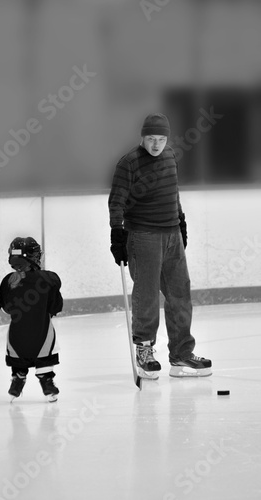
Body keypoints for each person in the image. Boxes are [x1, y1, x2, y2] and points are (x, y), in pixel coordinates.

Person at [108, 113, 212, 379]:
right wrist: (117, 234)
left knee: (180, 294)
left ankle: (181, 355)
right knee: (147, 295)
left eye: (162, 139)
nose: (156, 145)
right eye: (152, 139)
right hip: (143, 236)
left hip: (172, 234)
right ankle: (144, 351)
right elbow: (116, 201)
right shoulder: (129, 163)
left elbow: (173, 192)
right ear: (142, 137)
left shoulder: (170, 157)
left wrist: (181, 220)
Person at [0, 236, 63, 401]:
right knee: (45, 354)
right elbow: (56, 307)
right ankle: (47, 383)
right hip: (42, 332)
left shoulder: (8, 281)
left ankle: (18, 378)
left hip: (17, 336)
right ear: (34, 257)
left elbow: (6, 308)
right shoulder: (49, 279)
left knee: (18, 356)